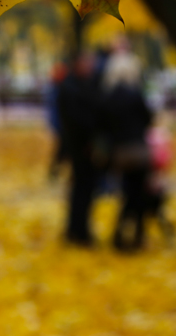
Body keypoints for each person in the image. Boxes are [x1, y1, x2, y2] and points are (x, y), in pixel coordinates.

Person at [97, 49, 153, 251]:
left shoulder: (108, 97)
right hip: (138, 150)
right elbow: (148, 119)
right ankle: (137, 233)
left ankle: (121, 233)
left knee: (127, 191)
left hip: (119, 152)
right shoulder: (135, 94)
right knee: (138, 192)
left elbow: (102, 126)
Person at [57, 51, 100, 246]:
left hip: (80, 146)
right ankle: (78, 231)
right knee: (82, 189)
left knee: (83, 190)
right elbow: (77, 121)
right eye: (87, 63)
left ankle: (78, 229)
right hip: (81, 148)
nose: (91, 67)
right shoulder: (73, 89)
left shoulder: (79, 86)